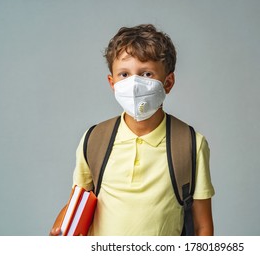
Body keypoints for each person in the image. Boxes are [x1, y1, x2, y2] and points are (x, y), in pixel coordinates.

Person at [50, 24, 215, 236]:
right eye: (124, 74)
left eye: (146, 73)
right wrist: (59, 233)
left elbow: (202, 226)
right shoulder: (95, 140)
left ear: (168, 82)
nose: (135, 84)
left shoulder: (190, 144)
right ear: (112, 82)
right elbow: (75, 205)